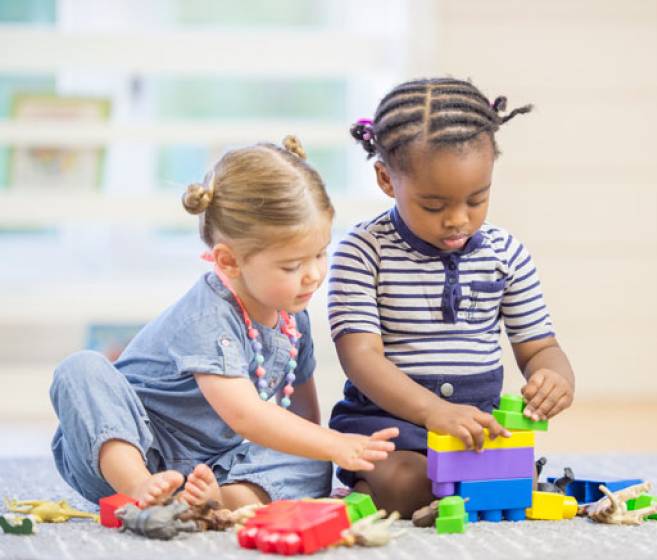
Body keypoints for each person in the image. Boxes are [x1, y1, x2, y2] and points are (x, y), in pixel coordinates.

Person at [49, 135, 397, 509]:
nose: (313, 275)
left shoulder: (292, 312)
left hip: (207, 466)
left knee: (311, 458)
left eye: (320, 254)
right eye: (292, 265)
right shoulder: (209, 317)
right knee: (79, 368)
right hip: (119, 449)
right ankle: (141, 488)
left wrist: (324, 449)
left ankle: (214, 500)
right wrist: (336, 444)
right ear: (229, 261)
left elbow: (302, 417)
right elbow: (245, 415)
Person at [328, 78, 575, 516]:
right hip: (390, 424)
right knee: (408, 483)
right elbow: (360, 357)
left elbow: (540, 347)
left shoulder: (506, 253)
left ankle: (460, 490)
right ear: (387, 179)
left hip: (476, 426)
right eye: (434, 205)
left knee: (517, 484)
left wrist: (555, 377)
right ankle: (370, 488)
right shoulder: (364, 250)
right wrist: (431, 411)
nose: (458, 221)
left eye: (476, 199)